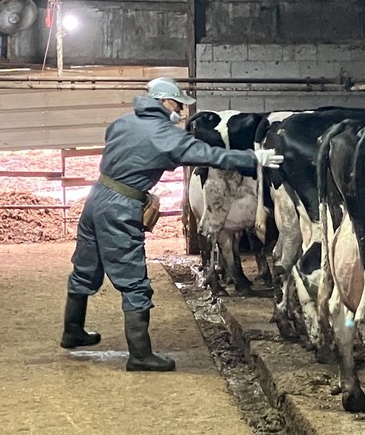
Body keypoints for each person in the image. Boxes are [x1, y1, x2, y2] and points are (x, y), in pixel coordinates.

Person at [60, 77, 284, 371]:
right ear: (164, 101)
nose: (181, 110)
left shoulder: (123, 122)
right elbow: (209, 155)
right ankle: (140, 355)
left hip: (97, 198)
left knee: (86, 266)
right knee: (134, 281)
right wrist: (253, 157)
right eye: (178, 104)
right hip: (121, 207)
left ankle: (72, 330)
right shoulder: (164, 134)